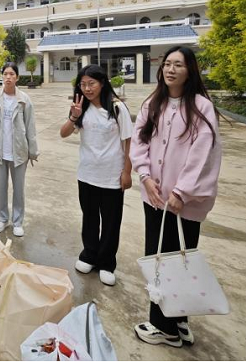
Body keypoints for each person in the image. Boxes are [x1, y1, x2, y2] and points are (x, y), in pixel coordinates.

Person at [130, 46, 222, 348]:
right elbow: (139, 144)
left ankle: (167, 326)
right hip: (155, 199)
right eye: (167, 64)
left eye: (178, 65)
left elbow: (202, 156)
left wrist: (182, 191)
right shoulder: (152, 103)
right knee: (160, 257)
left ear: (190, 70)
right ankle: (173, 319)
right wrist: (145, 176)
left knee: (178, 257)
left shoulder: (200, 107)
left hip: (183, 203)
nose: (171, 69)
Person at [59, 64, 133, 287]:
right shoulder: (81, 108)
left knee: (111, 222)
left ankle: (107, 262)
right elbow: (63, 134)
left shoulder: (118, 109)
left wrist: (127, 172)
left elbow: (128, 142)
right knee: (89, 218)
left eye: (92, 83)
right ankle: (89, 254)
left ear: (102, 83)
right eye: (83, 84)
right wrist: (74, 117)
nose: (87, 88)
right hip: (87, 174)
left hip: (111, 176)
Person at [0, 62, 39, 237]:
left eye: (12, 74)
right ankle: (1, 218)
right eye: (5, 74)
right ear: (2, 76)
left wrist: (32, 151)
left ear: (17, 77)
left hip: (19, 151)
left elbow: (30, 127)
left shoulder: (24, 100)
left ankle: (17, 221)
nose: (8, 77)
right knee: (1, 187)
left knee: (19, 188)